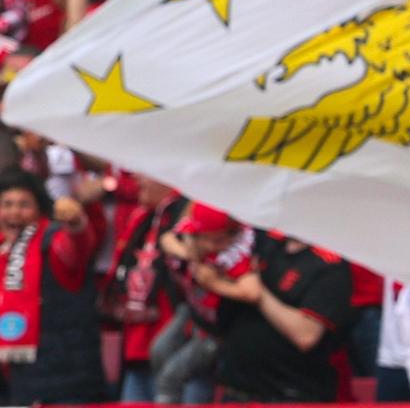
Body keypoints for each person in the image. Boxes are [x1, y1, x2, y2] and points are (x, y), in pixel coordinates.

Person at [0, 169, 106, 404]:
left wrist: (76, 223)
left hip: (64, 381)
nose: (14, 211)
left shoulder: (53, 239)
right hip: (15, 383)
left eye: (23, 204)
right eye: (6, 204)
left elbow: (77, 249)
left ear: (39, 209)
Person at [217, 231, 353, 402]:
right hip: (238, 389)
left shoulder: (330, 266)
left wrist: (258, 294)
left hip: (288, 394)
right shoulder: (266, 243)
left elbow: (306, 335)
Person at [156, 202, 256, 404]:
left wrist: (214, 283)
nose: (199, 241)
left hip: (218, 332)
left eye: (207, 238)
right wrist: (189, 253)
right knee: (160, 351)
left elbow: (252, 291)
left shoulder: (236, 249)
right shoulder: (199, 234)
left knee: (171, 378)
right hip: (196, 314)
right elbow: (167, 239)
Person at [100, 176, 187, 402]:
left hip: (173, 349)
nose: (138, 180)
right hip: (135, 347)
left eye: (146, 173)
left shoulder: (186, 216)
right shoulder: (141, 219)